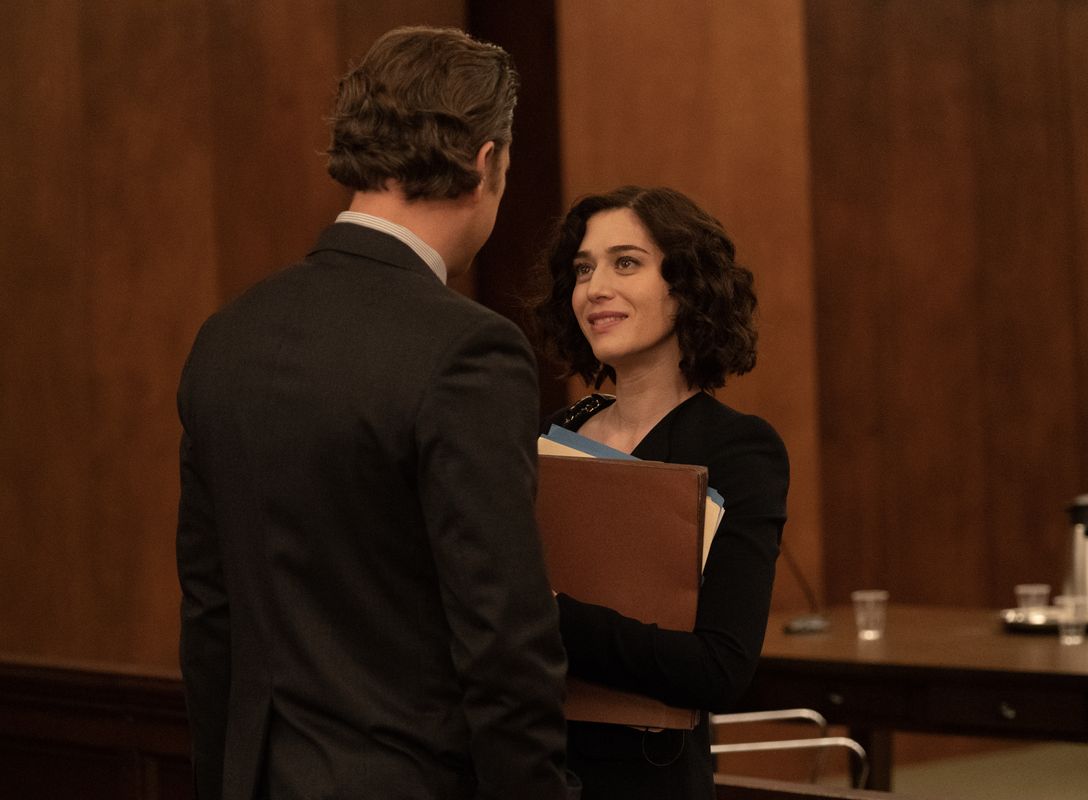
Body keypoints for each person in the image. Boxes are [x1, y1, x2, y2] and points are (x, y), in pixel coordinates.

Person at [176, 26, 572, 800]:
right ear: (484, 162)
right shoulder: (468, 351)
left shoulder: (229, 336)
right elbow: (503, 639)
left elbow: (210, 613)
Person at [533, 186, 790, 798]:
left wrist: (540, 612)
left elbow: (721, 668)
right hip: (532, 764)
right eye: (583, 269)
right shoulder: (555, 431)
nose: (595, 288)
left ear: (687, 285)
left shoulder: (738, 448)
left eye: (626, 263)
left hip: (646, 778)